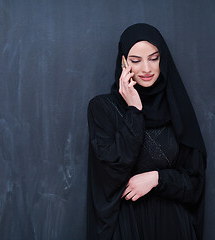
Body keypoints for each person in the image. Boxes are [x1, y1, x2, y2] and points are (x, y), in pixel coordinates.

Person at [87, 23, 207, 240]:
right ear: (123, 61)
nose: (146, 69)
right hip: (127, 227)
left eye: (154, 58)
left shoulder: (176, 109)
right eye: (135, 60)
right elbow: (112, 172)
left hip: (173, 226)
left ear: (163, 59)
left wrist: (157, 178)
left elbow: (195, 184)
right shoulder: (102, 108)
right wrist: (134, 110)